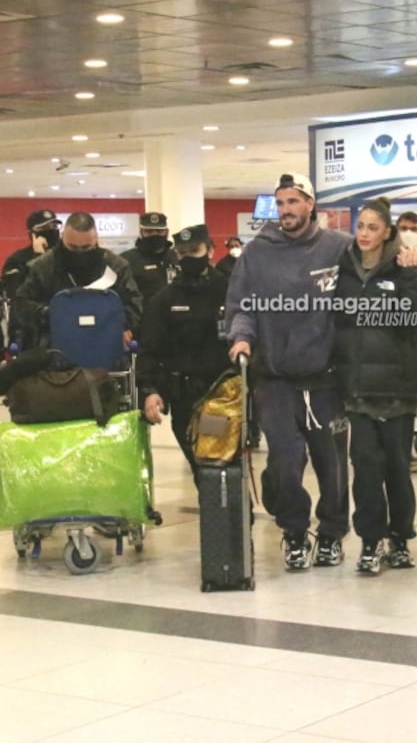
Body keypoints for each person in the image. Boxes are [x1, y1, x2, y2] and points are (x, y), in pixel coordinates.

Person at [226, 171, 351, 571]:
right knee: (283, 462)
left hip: (326, 379)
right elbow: (241, 304)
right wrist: (241, 337)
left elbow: (373, 272)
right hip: (276, 379)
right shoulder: (257, 253)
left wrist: (404, 257)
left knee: (332, 465)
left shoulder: (338, 248)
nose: (286, 211)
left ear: (310, 205)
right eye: (280, 204)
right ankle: (294, 531)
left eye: (293, 202)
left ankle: (331, 533)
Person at [333, 198, 417, 574]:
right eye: (360, 226)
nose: (364, 234)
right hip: (358, 389)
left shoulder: (404, 267)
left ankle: (401, 538)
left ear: (388, 232)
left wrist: (414, 277)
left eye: (372, 227)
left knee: (396, 469)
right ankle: (370, 541)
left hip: (397, 389)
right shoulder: (343, 269)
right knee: (365, 470)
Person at [138, 224, 230, 486]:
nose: (189, 257)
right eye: (182, 252)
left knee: (217, 460)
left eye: (195, 250)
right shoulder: (164, 299)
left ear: (210, 250)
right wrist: (150, 390)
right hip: (184, 395)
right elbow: (150, 348)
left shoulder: (229, 290)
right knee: (200, 463)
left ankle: (232, 517)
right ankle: (220, 517)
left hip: (222, 394)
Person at [13, 211, 142, 350]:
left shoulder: (116, 266)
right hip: (53, 345)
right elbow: (21, 304)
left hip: (104, 343)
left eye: (86, 247)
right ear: (62, 238)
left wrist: (116, 322)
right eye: (72, 247)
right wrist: (50, 313)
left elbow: (134, 304)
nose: (79, 252)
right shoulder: (43, 267)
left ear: (96, 240)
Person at [395, 211, 417, 472]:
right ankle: (399, 456)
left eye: (414, 228)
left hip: (410, 352)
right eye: (404, 227)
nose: (409, 232)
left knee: (408, 408)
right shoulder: (387, 260)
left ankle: (404, 453)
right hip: (390, 350)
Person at [1, 210, 62, 347]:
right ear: (32, 234)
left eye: (54, 227)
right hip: (29, 331)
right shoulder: (17, 259)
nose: (51, 231)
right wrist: (37, 258)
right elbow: (15, 291)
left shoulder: (65, 258)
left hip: (62, 325)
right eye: (44, 228)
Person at [119, 212, 179, 311]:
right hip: (142, 321)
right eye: (149, 231)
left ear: (167, 232)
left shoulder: (177, 257)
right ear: (141, 232)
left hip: (176, 320)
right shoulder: (126, 260)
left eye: (159, 231)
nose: (154, 235)